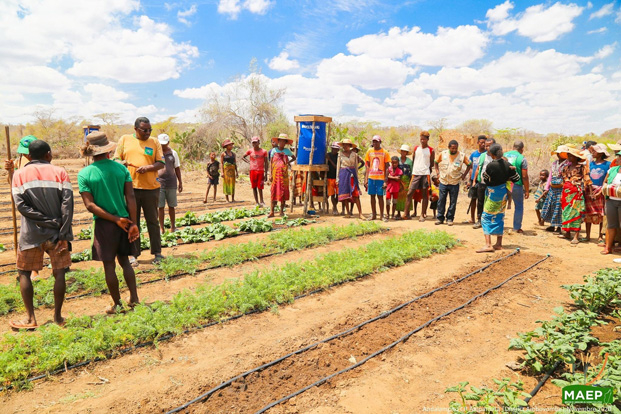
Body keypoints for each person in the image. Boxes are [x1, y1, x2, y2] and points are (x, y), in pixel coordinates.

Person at [10, 140, 73, 329]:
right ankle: (58, 317)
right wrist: (62, 231)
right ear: (48, 154)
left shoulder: (18, 175)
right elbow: (67, 205)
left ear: (28, 156)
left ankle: (30, 318)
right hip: (57, 234)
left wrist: (43, 220)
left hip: (31, 234)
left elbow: (21, 206)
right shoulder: (60, 172)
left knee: (24, 273)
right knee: (59, 272)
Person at [78, 132, 140, 314]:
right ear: (108, 150)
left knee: (109, 265)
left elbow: (89, 205)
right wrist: (133, 223)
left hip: (105, 224)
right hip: (126, 221)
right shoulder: (121, 169)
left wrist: (114, 220)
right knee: (125, 262)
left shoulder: (85, 174)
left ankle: (118, 304)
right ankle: (134, 298)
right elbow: (130, 197)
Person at [113, 117, 165, 264]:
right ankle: (133, 254)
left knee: (152, 222)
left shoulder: (154, 142)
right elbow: (116, 159)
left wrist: (148, 168)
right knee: (132, 221)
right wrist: (121, 162)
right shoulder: (124, 140)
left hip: (151, 188)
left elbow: (161, 163)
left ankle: (157, 253)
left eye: (150, 130)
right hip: (131, 189)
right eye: (144, 130)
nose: (147, 133)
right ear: (135, 129)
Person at [5, 135, 41, 280]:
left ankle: (60, 267)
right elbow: (12, 182)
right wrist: (11, 171)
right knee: (30, 236)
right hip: (26, 203)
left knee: (49, 235)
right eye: (25, 151)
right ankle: (33, 270)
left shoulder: (43, 161)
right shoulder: (19, 161)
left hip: (42, 201)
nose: (27, 154)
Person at [476, 144, 521, 253]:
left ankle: (488, 245)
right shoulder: (508, 164)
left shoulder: (491, 165)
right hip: (503, 193)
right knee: (500, 216)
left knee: (486, 217)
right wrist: (506, 177)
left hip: (493, 193)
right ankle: (499, 244)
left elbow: (485, 178)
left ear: (491, 154)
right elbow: (516, 178)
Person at [434, 140, 471, 226]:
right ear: (449, 147)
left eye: (456, 148)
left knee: (453, 202)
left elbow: (469, 164)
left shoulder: (462, 156)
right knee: (441, 200)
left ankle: (450, 218)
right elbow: (436, 162)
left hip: (454, 182)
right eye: (452, 148)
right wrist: (438, 173)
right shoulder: (443, 154)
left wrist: (464, 175)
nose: (454, 149)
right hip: (443, 181)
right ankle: (440, 218)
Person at [559, 148, 591, 244]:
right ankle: (567, 232)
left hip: (577, 193)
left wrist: (589, 191)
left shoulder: (582, 168)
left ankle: (576, 236)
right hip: (566, 193)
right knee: (566, 213)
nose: (568, 157)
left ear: (576, 157)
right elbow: (563, 181)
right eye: (568, 155)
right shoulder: (566, 168)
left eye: (570, 156)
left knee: (576, 213)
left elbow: (587, 180)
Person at [405, 131, 435, 221]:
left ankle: (423, 214)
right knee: (410, 193)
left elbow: (432, 163)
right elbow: (414, 160)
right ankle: (406, 213)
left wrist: (426, 169)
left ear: (427, 139)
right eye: (421, 139)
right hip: (416, 173)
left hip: (425, 174)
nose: (422, 141)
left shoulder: (431, 150)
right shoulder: (416, 148)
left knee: (424, 194)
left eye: (424, 139)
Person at [157, 134, 183, 234]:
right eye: (161, 144)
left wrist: (180, 182)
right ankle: (161, 228)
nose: (163, 146)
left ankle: (173, 227)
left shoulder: (173, 153)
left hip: (171, 182)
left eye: (164, 144)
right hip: (159, 183)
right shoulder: (156, 153)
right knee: (161, 207)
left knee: (171, 206)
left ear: (168, 142)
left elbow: (177, 168)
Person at [584, 143, 610, 243]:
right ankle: (587, 235)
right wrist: (589, 189)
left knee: (601, 214)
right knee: (588, 213)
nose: (592, 153)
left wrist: (601, 191)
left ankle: (600, 236)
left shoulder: (608, 164)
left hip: (601, 190)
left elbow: (607, 179)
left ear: (600, 153)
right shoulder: (590, 164)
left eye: (594, 151)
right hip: (589, 191)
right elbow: (587, 177)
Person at [541, 145, 568, 233]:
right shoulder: (554, 163)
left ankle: (560, 226)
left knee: (559, 207)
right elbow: (550, 176)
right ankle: (552, 225)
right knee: (552, 206)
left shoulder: (568, 164)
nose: (558, 155)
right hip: (553, 188)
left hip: (561, 188)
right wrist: (546, 188)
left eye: (559, 153)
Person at [504, 141, 530, 233]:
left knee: (501, 205)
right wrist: (527, 190)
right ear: (522, 149)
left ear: (513, 147)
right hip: (516, 184)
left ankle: (499, 225)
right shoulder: (521, 158)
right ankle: (516, 227)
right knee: (519, 206)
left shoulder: (504, 155)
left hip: (504, 184)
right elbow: (524, 176)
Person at [364, 135, 390, 220]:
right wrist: (366, 179)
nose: (375, 143)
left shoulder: (384, 152)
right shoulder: (369, 151)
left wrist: (386, 181)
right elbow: (367, 166)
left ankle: (382, 215)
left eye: (377, 141)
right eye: (373, 141)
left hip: (380, 179)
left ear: (380, 142)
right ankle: (374, 214)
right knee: (372, 196)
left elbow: (387, 167)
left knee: (380, 197)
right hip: (371, 177)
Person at [269, 134, 296, 217]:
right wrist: (270, 174)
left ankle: (281, 211)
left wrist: (287, 162)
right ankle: (272, 212)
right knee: (274, 192)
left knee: (283, 193)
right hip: (275, 175)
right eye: (281, 141)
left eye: (284, 141)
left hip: (284, 176)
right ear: (278, 141)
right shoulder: (274, 150)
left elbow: (294, 157)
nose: (282, 143)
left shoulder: (287, 151)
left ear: (285, 143)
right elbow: (271, 163)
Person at [472, 137, 496, 229]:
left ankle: (490, 221)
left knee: (491, 203)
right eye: (486, 146)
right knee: (480, 202)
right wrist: (474, 181)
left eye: (490, 146)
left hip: (492, 184)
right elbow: (478, 169)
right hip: (481, 183)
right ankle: (479, 221)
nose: (488, 148)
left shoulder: (497, 157)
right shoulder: (482, 156)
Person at [337, 139, 363, 219]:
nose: (345, 146)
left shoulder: (354, 154)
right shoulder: (340, 154)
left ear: (350, 146)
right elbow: (338, 167)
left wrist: (356, 176)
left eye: (347, 144)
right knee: (345, 194)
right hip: (343, 174)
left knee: (356, 194)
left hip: (352, 174)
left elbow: (355, 166)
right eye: (344, 144)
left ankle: (360, 213)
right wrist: (337, 179)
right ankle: (347, 212)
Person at [602, 150, 621, 255]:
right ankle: (608, 247)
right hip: (611, 200)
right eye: (618, 156)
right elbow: (605, 182)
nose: (618, 158)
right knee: (611, 225)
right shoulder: (612, 170)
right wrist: (607, 189)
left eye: (620, 157)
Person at [242, 136, 269, 207]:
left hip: (260, 171)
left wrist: (266, 173)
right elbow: (243, 157)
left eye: (256, 142)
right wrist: (249, 162)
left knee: (260, 187)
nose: (254, 144)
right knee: (254, 187)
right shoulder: (250, 151)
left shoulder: (264, 151)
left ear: (259, 142)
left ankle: (262, 201)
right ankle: (257, 202)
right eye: (253, 143)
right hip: (252, 171)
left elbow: (266, 163)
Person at [467, 136, 487, 224]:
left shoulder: (487, 154)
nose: (483, 144)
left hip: (481, 180)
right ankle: (472, 218)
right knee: (473, 199)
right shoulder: (473, 154)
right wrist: (469, 180)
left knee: (482, 200)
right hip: (473, 180)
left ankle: (481, 218)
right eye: (481, 142)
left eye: (484, 143)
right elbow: (471, 168)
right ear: (478, 143)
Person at [394, 144, 413, 219]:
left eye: (405, 151)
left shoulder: (409, 161)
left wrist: (411, 181)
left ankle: (407, 213)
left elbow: (411, 172)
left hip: (407, 180)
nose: (403, 153)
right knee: (398, 197)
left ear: (407, 152)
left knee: (408, 196)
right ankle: (398, 213)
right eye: (402, 151)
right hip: (399, 180)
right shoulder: (397, 160)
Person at [327, 143, 340, 215]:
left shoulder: (339, 156)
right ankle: (335, 207)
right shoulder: (328, 155)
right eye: (333, 149)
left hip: (337, 177)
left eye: (336, 149)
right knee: (332, 194)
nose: (334, 150)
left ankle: (335, 206)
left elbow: (336, 167)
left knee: (338, 195)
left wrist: (330, 160)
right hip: (330, 177)